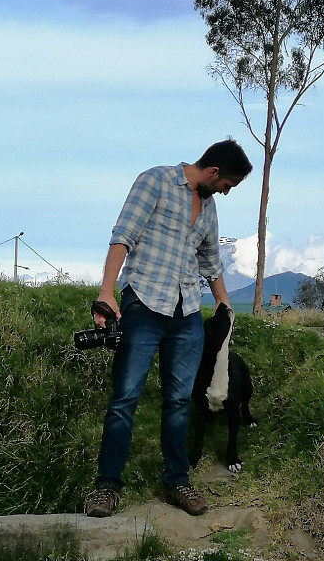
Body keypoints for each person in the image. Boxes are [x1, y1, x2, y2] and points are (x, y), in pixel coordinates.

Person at [84, 139, 252, 518]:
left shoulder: (208, 210)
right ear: (213, 172)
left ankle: (177, 481)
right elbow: (122, 235)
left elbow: (210, 264)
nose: (225, 193)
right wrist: (107, 292)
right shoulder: (155, 181)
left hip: (186, 313)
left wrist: (225, 305)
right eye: (228, 185)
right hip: (142, 303)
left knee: (179, 402)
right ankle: (106, 487)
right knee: (124, 399)